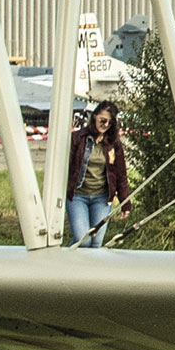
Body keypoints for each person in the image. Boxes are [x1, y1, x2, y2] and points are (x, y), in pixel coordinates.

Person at [66, 97, 129, 247]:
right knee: (84, 240)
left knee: (96, 243)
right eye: (102, 120)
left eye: (109, 122)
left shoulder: (114, 143)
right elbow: (66, 167)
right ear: (94, 116)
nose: (105, 125)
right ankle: (61, 263)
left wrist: (125, 202)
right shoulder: (78, 138)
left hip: (101, 198)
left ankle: (85, 270)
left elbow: (121, 173)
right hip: (77, 196)